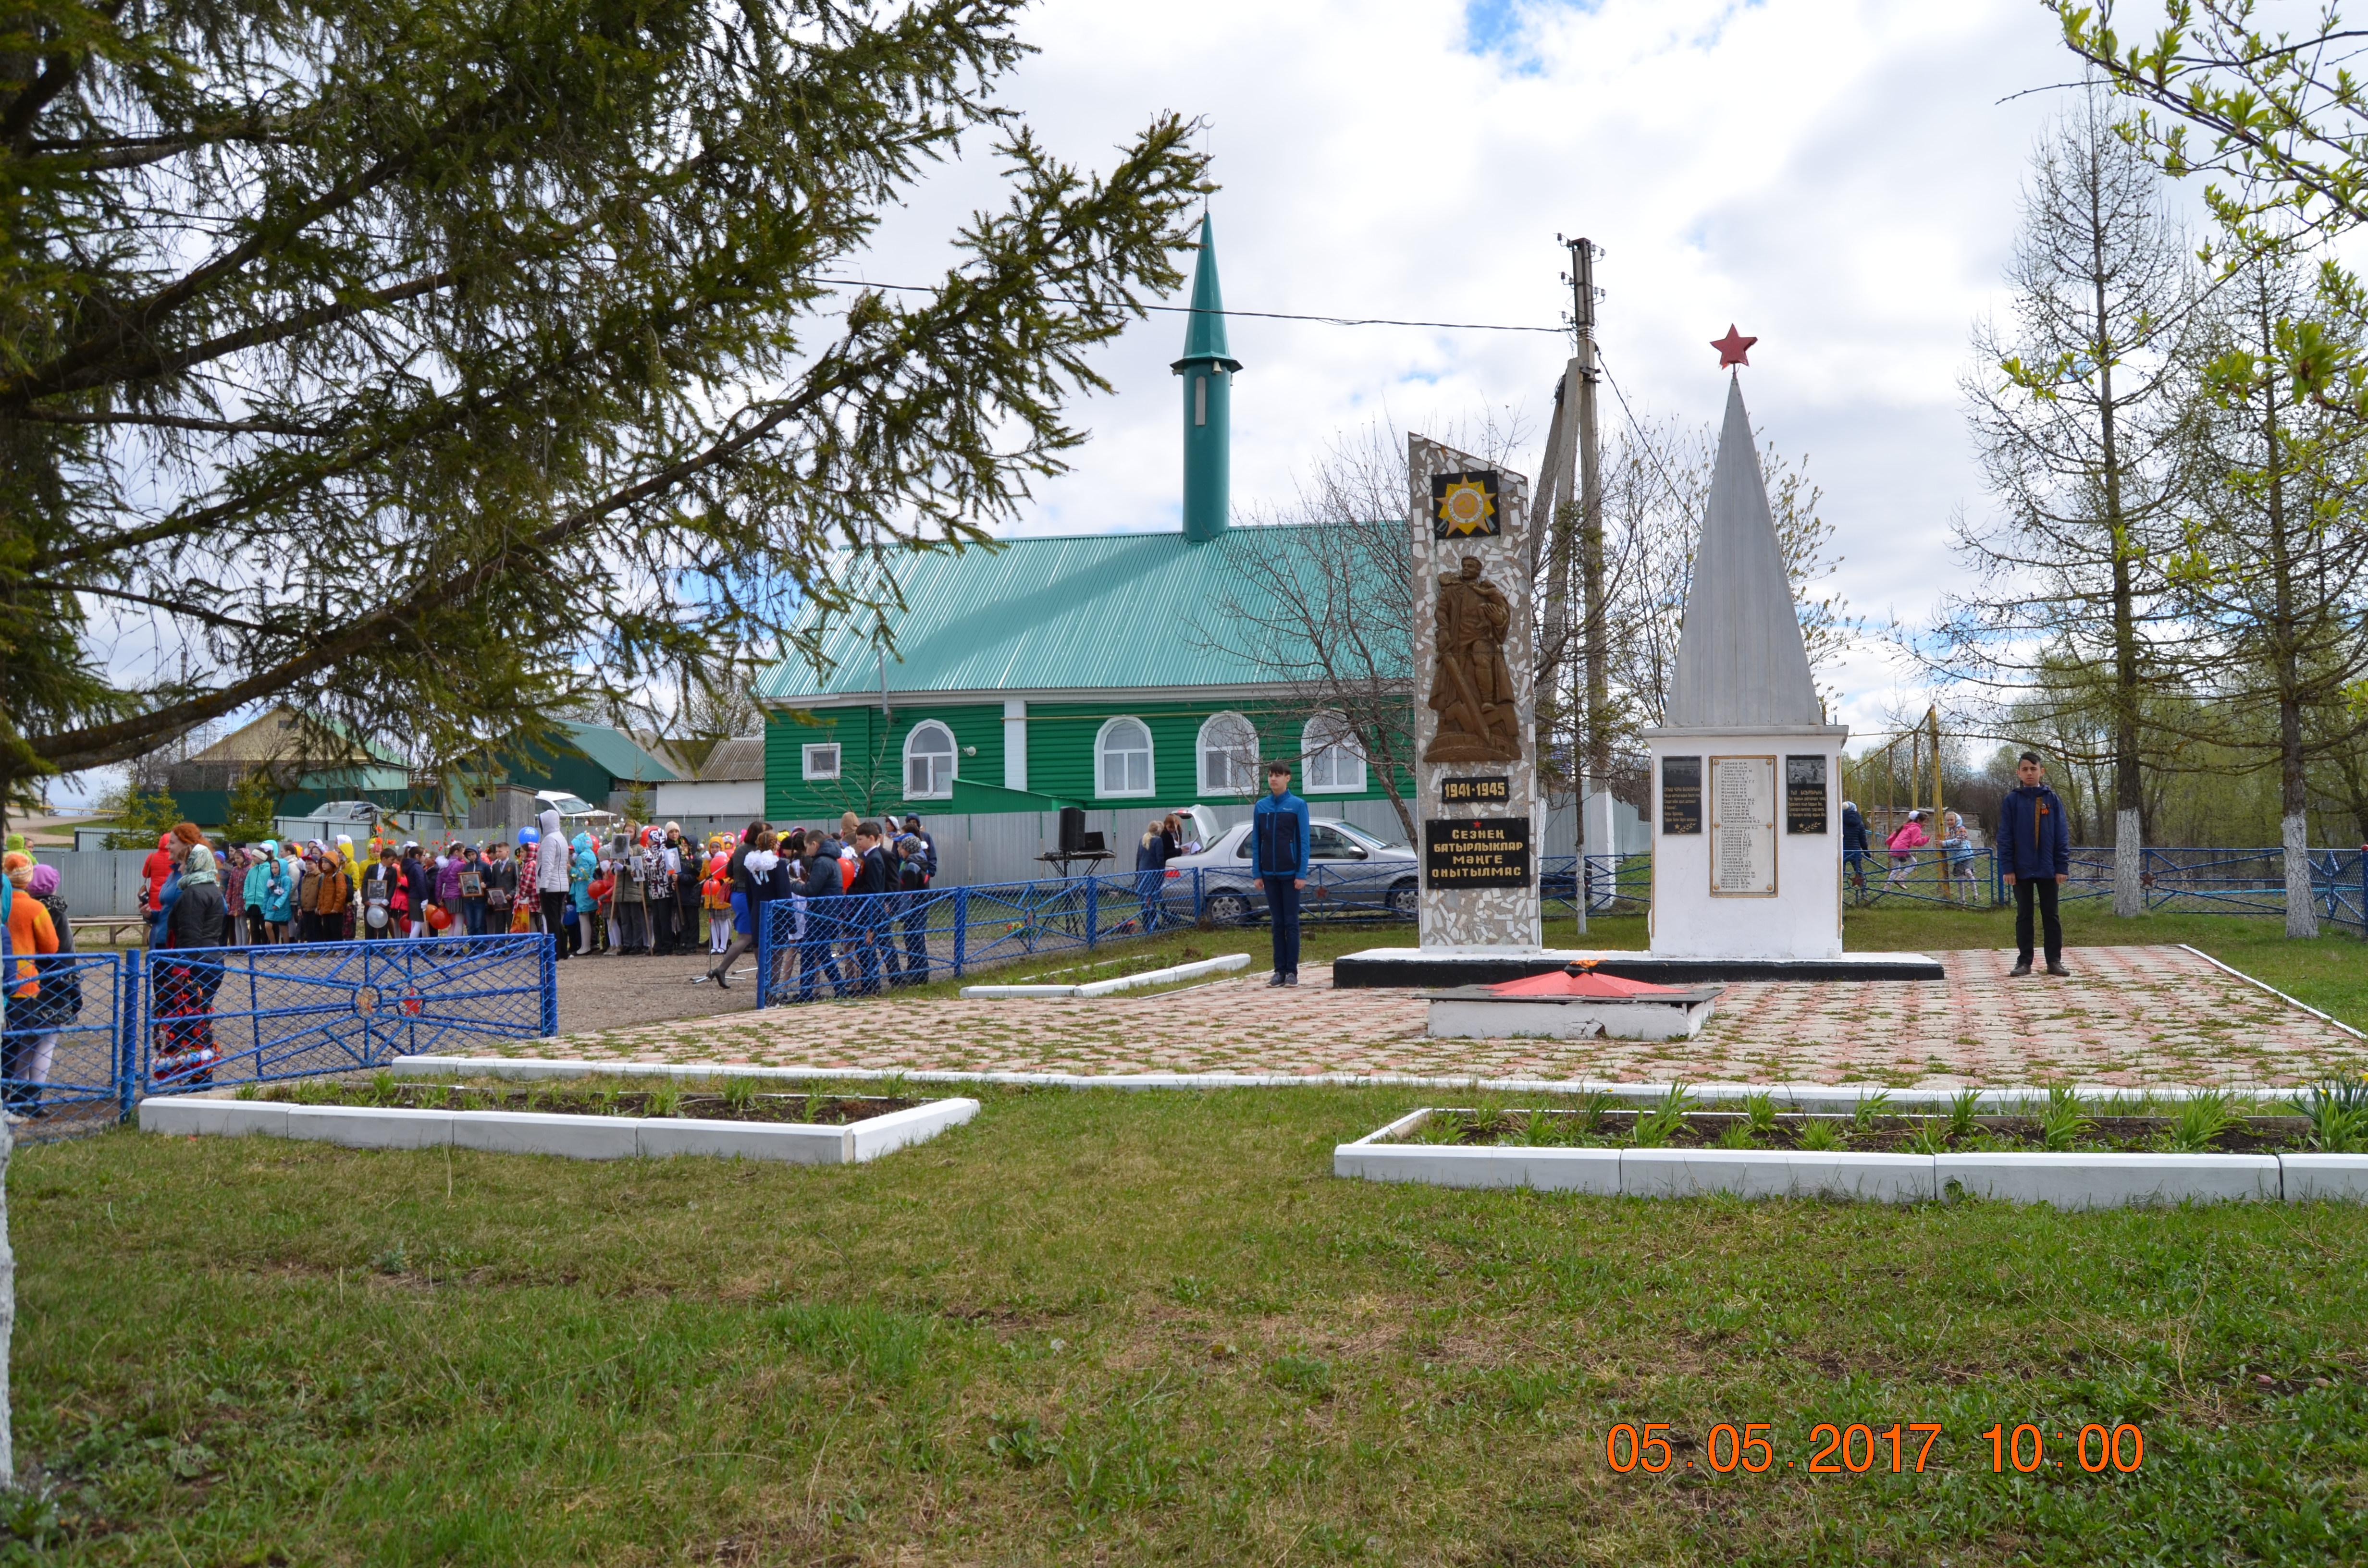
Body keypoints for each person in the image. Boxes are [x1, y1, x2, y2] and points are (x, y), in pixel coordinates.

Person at [155, 828, 230, 1084]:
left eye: (186, 861)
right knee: (199, 1021)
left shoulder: (193, 894)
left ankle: (195, 1078)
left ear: (195, 863)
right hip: (212, 960)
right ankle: (200, 1075)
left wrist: (179, 974)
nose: (181, 866)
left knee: (187, 1024)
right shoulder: (213, 890)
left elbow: (188, 937)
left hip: (194, 964)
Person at [11, 862, 79, 1117]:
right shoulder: (56, 912)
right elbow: (64, 951)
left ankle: (18, 1096)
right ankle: (35, 1096)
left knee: (24, 1041)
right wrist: (73, 986)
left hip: (25, 982)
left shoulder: (15, 907)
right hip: (55, 984)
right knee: (46, 1042)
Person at [1997, 750, 2072, 977]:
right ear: (2018, 773)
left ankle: (2054, 961)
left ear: (2042, 771)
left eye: (2034, 769)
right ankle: (2024, 962)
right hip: (2021, 869)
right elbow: (2005, 836)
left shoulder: (2052, 799)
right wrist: (2008, 868)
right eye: (2025, 769)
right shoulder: (2012, 800)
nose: (2030, 773)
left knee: (2051, 914)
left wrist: (2062, 867)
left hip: (2049, 868)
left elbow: (2061, 835)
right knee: (2024, 914)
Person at [2, 854, 60, 1116]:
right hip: (24, 985)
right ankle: (12, 1099)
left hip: (6, 980)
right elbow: (51, 947)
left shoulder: (5, 906)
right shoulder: (36, 909)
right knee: (18, 1044)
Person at [1250, 760, 1310, 987]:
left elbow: (1304, 842)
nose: (1273, 779)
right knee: (1276, 924)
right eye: (1270, 775)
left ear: (1288, 778)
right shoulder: (1261, 807)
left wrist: (1301, 873)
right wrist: (1257, 873)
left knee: (1291, 922)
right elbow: (1256, 842)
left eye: (1278, 775)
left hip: (1291, 874)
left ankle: (1292, 972)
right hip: (1269, 874)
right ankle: (1279, 971)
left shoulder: (1297, 805)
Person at [796, 829, 847, 1001]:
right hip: (827, 912)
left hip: (821, 914)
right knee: (815, 952)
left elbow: (811, 890)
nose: (806, 852)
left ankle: (814, 992)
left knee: (815, 953)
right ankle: (809, 992)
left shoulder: (822, 862)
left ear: (815, 845)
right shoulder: (831, 859)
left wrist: (793, 885)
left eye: (806, 847)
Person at [892, 833, 932, 983]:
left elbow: (908, 893)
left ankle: (919, 974)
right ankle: (916, 971)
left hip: (914, 910)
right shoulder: (918, 863)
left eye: (901, 847)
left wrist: (902, 913)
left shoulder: (911, 867)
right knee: (914, 939)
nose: (899, 850)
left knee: (914, 940)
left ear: (908, 849)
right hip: (919, 908)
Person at [535, 808, 574, 956]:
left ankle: (555, 952)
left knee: (552, 920)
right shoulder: (561, 838)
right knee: (556, 920)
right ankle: (562, 951)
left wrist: (543, 885)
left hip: (550, 885)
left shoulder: (549, 840)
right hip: (561, 884)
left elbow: (547, 864)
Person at [1133, 818, 1169, 936]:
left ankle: (1147, 923)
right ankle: (1154, 923)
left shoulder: (1142, 839)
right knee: (1153, 897)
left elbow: (1138, 858)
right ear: (1159, 831)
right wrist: (1162, 871)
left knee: (1145, 899)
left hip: (1143, 873)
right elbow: (1160, 858)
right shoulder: (1158, 840)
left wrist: (1137, 873)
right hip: (1153, 874)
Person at [1884, 810, 1929, 893]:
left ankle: (1887, 886)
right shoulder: (1916, 828)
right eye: (1925, 822)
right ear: (1919, 821)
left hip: (1894, 848)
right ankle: (1901, 879)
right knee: (1914, 863)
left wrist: (1892, 845)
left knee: (1896, 868)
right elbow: (1916, 842)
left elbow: (1891, 838)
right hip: (1902, 848)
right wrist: (1926, 839)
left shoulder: (1906, 826)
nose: (1926, 824)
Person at [1939, 811, 1979, 904]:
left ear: (1957, 820)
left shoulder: (1961, 829)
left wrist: (1944, 843)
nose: (1950, 822)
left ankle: (1975, 894)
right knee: (1960, 878)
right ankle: (1962, 899)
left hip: (1966, 855)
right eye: (1948, 820)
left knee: (1968, 872)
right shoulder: (1948, 833)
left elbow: (1959, 841)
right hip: (1957, 858)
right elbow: (1948, 844)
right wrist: (1942, 844)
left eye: (1952, 820)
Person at [361, 849, 401, 940]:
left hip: (384, 904)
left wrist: (386, 901)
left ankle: (382, 949)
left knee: (383, 927)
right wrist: (366, 899)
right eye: (392, 860)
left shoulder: (393, 871)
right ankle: (370, 949)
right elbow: (364, 884)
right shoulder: (371, 868)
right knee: (369, 926)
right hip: (370, 903)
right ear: (384, 859)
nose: (393, 862)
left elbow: (392, 887)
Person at [1841, 801, 1869, 898]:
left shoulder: (1839, 821)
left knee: (1841, 874)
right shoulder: (1860, 823)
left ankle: (1838, 896)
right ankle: (1864, 893)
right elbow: (1863, 839)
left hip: (1843, 852)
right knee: (1860, 873)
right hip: (1856, 852)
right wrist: (1866, 851)